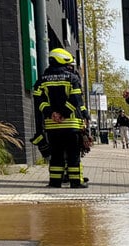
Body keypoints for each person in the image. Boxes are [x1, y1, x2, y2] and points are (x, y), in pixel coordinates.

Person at [32, 48, 90, 188]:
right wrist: (64, 113)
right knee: (73, 155)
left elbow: (39, 100)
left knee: (56, 155)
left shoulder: (42, 80)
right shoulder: (72, 78)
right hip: (71, 125)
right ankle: (76, 182)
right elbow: (76, 99)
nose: (69, 67)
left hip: (53, 126)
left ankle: (55, 182)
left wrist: (51, 113)